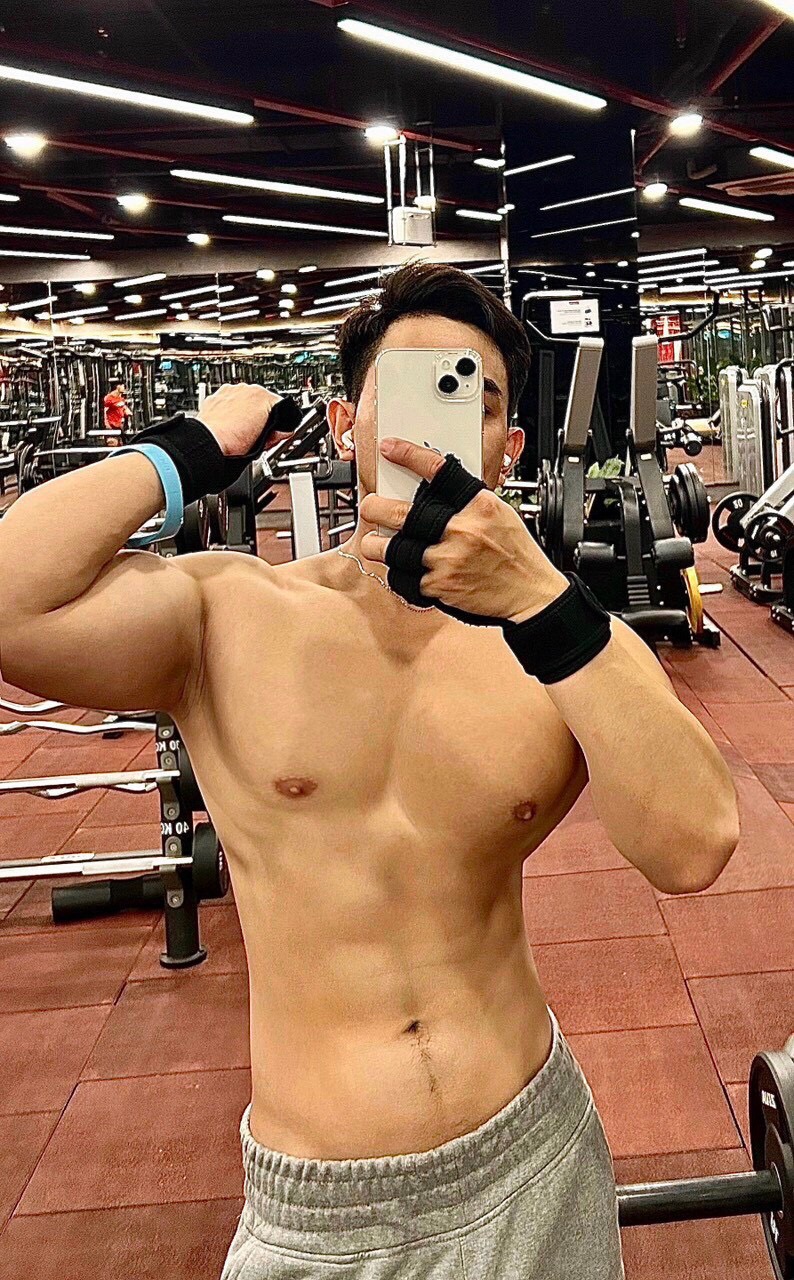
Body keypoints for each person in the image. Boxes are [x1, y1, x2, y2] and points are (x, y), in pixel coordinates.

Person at [0, 263, 739, 1279]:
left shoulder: (563, 642)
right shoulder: (229, 613)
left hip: (534, 1150)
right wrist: (192, 446)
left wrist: (540, 597)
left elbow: (694, 847)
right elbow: (13, 603)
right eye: (403, 391)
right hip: (322, 1204)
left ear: (510, 447)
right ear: (346, 424)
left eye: (474, 400)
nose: (435, 429)